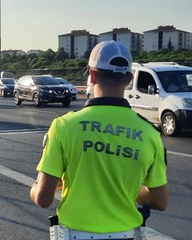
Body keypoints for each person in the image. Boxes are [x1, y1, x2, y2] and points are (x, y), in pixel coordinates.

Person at [30, 41, 168, 240]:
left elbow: (43, 198)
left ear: (92, 75)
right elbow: (160, 201)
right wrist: (128, 188)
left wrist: (34, 188)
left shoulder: (63, 126)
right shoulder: (150, 133)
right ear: (129, 79)